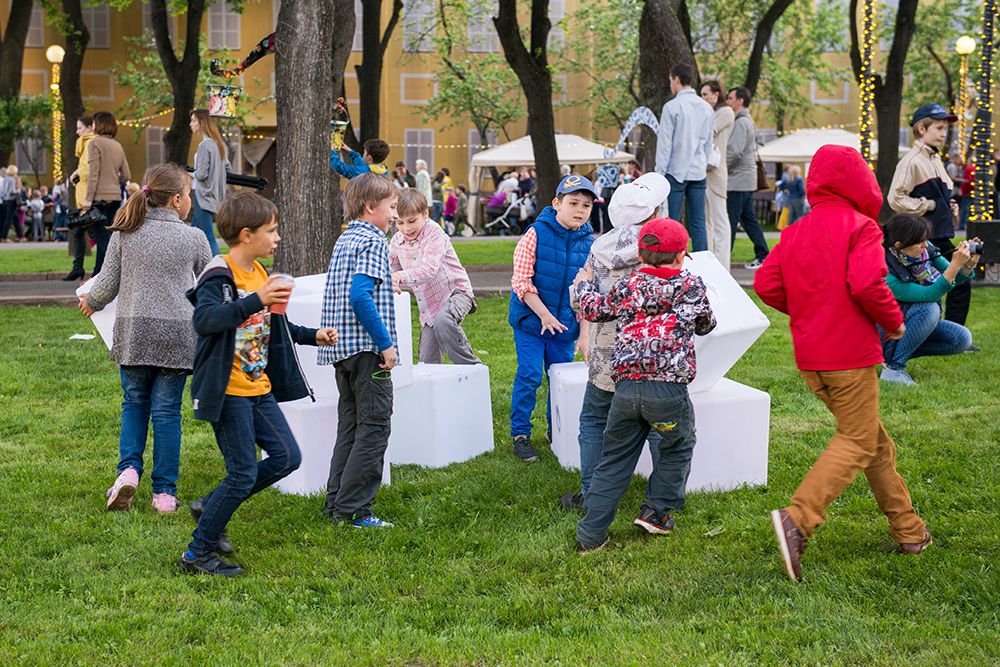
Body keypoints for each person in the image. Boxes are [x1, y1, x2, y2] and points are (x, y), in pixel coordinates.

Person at [753, 144, 931, 582]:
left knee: (873, 440)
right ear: (860, 183)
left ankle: (910, 531)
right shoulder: (863, 227)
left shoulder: (796, 229)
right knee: (857, 441)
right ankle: (799, 519)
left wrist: (810, 311)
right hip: (849, 357)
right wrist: (893, 323)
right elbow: (869, 284)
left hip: (813, 360)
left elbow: (766, 283)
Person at [182, 191, 337, 576]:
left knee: (287, 458)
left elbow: (273, 327)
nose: (277, 237)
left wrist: (312, 334)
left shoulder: (260, 274)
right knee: (243, 472)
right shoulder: (220, 274)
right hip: (228, 390)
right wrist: (257, 300)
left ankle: (211, 504)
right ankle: (197, 553)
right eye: (272, 231)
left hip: (258, 388)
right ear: (247, 235)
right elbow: (205, 321)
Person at [572, 218, 716, 553]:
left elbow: (594, 309)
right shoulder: (691, 285)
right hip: (667, 393)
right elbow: (706, 324)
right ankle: (657, 511)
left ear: (640, 253)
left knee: (615, 459)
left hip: (625, 390)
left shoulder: (629, 286)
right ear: (682, 256)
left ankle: (590, 536)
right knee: (677, 446)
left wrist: (583, 287)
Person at [78, 164, 213, 514]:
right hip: (177, 338)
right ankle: (164, 493)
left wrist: (91, 303)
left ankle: (128, 473)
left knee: (134, 405)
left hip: (134, 336)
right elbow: (211, 285)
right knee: (167, 413)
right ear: (178, 199)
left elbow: (106, 285)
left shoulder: (126, 234)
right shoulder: (194, 238)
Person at [560, 172, 671, 511]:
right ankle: (659, 503)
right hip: (653, 358)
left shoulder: (599, 248)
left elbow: (583, 301)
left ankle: (592, 493)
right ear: (654, 214)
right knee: (658, 428)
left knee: (594, 421)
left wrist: (581, 287)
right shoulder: (663, 248)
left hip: (608, 358)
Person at [319, 173, 399, 528]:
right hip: (368, 351)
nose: (395, 215)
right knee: (375, 426)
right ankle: (354, 509)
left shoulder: (345, 239)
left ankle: (336, 502)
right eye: (392, 208)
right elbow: (360, 295)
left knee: (350, 425)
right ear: (371, 207)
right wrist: (386, 344)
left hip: (343, 352)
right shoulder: (374, 240)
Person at [508, 175, 596, 462]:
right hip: (532, 323)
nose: (580, 210)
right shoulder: (535, 234)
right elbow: (521, 282)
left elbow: (586, 293)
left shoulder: (589, 244)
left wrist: (583, 335)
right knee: (531, 374)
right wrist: (544, 316)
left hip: (564, 327)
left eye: (586, 205)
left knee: (558, 379)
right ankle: (520, 433)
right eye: (573, 203)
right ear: (557, 203)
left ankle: (555, 430)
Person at [889, 104, 973, 329]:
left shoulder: (935, 160)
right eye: (938, 127)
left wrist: (949, 205)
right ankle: (936, 333)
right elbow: (895, 199)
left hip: (939, 234)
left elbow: (937, 195)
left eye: (945, 128)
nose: (944, 133)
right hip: (922, 239)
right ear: (921, 129)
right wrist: (929, 204)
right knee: (935, 286)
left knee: (957, 281)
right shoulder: (911, 161)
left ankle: (951, 332)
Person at [880, 214, 978, 385]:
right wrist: (955, 264)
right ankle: (894, 370)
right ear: (899, 246)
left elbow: (955, 277)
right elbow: (929, 294)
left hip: (911, 323)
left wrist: (969, 263)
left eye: (926, 239)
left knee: (961, 339)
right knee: (929, 307)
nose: (925, 245)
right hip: (886, 331)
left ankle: (894, 357)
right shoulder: (886, 272)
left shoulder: (924, 250)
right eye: (920, 242)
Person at [390, 189, 480, 365]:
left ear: (425, 214)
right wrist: (389, 281)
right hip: (429, 309)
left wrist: (399, 276)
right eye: (400, 223)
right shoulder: (397, 241)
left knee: (444, 321)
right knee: (427, 361)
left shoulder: (434, 233)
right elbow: (388, 269)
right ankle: (435, 388)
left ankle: (471, 367)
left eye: (412, 221)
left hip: (457, 293)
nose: (406, 228)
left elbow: (429, 269)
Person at [655, 64, 715, 252]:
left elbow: (665, 144)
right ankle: (702, 265)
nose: (671, 85)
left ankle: (672, 260)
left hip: (675, 170)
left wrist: (659, 173)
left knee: (672, 221)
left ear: (677, 80)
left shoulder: (672, 107)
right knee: (698, 223)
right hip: (698, 171)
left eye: (671, 81)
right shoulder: (706, 108)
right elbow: (708, 144)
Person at [82, 111, 131, 276]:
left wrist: (88, 199)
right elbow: (126, 175)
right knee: (106, 236)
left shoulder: (95, 143)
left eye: (94, 122)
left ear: (99, 124)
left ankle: (123, 269)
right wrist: (113, 178)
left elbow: (93, 174)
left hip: (99, 198)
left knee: (103, 240)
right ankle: (97, 276)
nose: (93, 125)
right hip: (115, 197)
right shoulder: (118, 145)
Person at [726, 86, 770, 269]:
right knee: (748, 220)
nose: (727, 101)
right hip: (745, 179)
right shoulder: (745, 121)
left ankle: (722, 259)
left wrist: (720, 167)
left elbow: (734, 151)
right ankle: (763, 254)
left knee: (730, 221)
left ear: (740, 101)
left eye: (730, 98)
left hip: (738, 180)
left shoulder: (741, 122)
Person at [700, 80, 735, 268]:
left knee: (720, 220)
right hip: (703, 172)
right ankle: (710, 263)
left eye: (706, 94)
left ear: (716, 94)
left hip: (716, 172)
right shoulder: (710, 113)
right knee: (706, 221)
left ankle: (723, 266)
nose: (703, 98)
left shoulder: (725, 112)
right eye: (702, 95)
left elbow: (707, 134)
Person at [189, 109, 229, 255]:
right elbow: (227, 167)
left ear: (202, 122)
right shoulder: (220, 145)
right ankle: (195, 268)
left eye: (193, 121)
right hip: (214, 195)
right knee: (194, 233)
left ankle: (218, 269)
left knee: (208, 236)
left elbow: (201, 174)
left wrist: (189, 174)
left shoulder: (204, 145)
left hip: (203, 195)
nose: (190, 124)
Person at [64, 116, 96, 278]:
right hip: (81, 194)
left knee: (96, 234)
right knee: (78, 232)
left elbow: (90, 168)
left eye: (80, 128)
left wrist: (77, 173)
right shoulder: (84, 143)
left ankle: (100, 270)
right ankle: (78, 268)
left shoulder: (91, 143)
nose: (77, 131)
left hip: (87, 196)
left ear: (90, 127)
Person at [1, 166, 23, 242]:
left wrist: (3, 197)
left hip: (5, 200)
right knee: (8, 219)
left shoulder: (5, 179)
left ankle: (20, 236)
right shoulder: (12, 179)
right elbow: (12, 191)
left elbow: (3, 191)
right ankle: (4, 237)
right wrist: (19, 191)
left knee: (14, 218)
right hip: (11, 200)